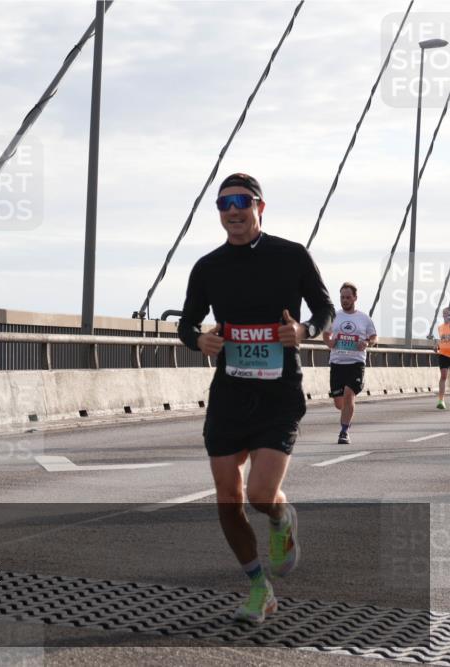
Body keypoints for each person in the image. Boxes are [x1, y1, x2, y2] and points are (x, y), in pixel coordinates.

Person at [178, 173, 334, 624]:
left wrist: (302, 330)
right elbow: (188, 323)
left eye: (242, 201)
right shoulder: (208, 267)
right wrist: (198, 340)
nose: (233, 210)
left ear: (259, 208)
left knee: (262, 494)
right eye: (224, 203)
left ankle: (282, 517)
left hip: (278, 392)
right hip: (230, 392)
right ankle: (257, 587)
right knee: (228, 496)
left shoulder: (291, 255)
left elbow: (323, 308)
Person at [322, 283, 377, 443]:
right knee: (340, 404)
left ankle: (344, 431)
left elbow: (374, 337)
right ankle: (346, 414)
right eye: (342, 297)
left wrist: (367, 342)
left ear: (355, 298)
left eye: (347, 297)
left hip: (356, 363)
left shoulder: (364, 318)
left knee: (349, 395)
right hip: (337, 363)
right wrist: (330, 343)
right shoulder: (334, 316)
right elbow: (326, 335)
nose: (344, 300)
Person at [436, 306, 450, 410]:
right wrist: (436, 346)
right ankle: (441, 400)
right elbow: (441, 342)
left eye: (447, 314)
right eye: (444, 314)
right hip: (444, 354)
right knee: (444, 375)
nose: (445, 316)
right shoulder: (440, 327)